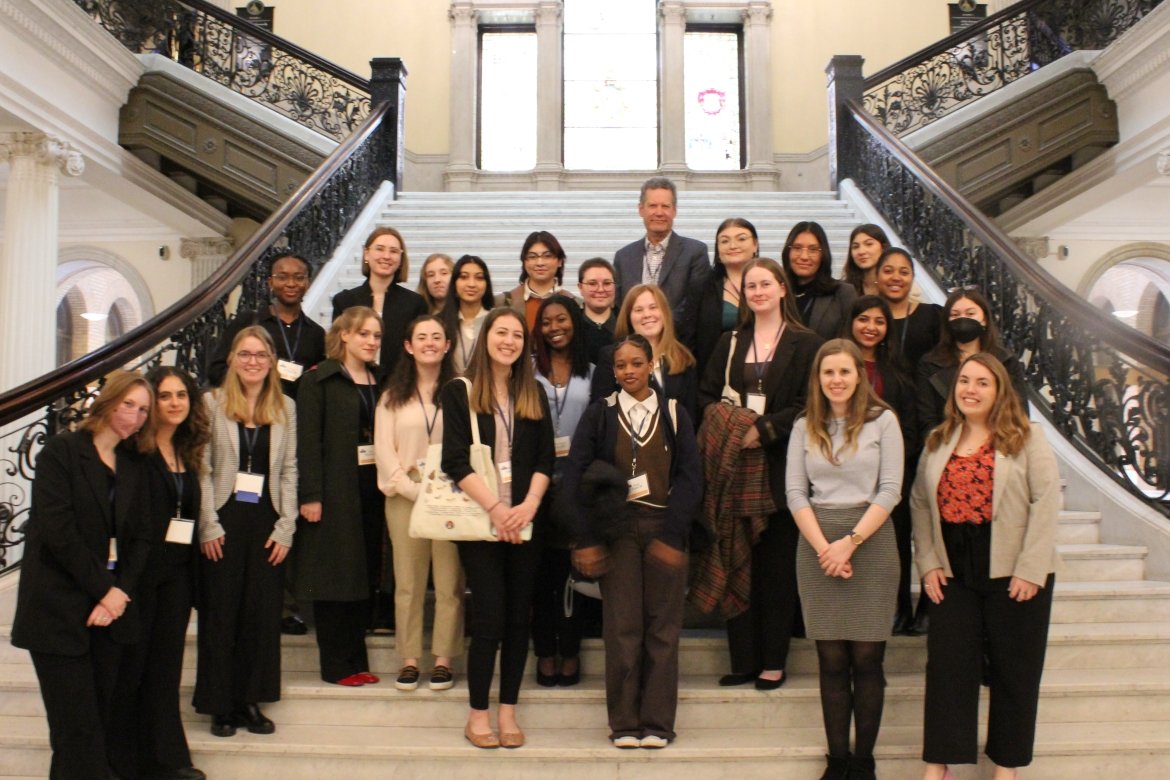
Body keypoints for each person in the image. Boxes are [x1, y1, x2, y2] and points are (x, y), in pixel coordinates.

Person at [911, 353, 1060, 780]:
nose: (970, 390)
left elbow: (1046, 501)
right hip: (953, 570)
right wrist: (928, 562)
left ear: (999, 391)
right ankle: (938, 765)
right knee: (947, 669)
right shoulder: (939, 439)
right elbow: (921, 503)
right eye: (964, 381)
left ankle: (1006, 767)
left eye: (981, 383)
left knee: (1015, 670)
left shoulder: (1027, 437)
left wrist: (1032, 568)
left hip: (1015, 570)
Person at [11, 370, 153, 780]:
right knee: (77, 730)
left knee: (95, 728)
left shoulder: (134, 463)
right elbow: (59, 534)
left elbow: (142, 538)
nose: (136, 415)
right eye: (128, 404)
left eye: (143, 409)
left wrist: (120, 593)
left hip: (109, 614)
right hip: (58, 609)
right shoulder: (63, 451)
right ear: (107, 401)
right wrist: (105, 591)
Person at [565, 333, 703, 749]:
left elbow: (691, 478)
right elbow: (574, 478)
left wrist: (675, 536)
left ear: (651, 364)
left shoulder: (676, 413)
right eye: (620, 365)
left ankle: (658, 724)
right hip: (618, 532)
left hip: (664, 528)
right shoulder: (599, 415)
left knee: (663, 628)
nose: (628, 371)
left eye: (636, 363)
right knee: (623, 626)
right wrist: (585, 537)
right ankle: (625, 722)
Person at [697, 258, 824, 691]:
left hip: (781, 467)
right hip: (734, 468)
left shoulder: (807, 344)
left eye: (765, 283)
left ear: (782, 289)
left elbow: (812, 403)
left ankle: (773, 659)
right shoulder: (730, 341)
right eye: (750, 285)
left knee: (775, 570)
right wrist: (732, 427)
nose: (757, 291)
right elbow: (706, 396)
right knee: (736, 560)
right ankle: (744, 660)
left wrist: (764, 429)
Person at [786, 340, 904, 780]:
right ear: (818, 379)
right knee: (831, 661)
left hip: (869, 540)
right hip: (817, 542)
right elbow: (796, 493)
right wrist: (825, 548)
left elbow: (890, 490)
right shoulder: (804, 425)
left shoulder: (883, 421)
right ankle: (837, 762)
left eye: (844, 372)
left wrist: (849, 543)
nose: (836, 380)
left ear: (860, 375)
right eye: (828, 373)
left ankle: (864, 762)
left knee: (868, 660)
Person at [440, 307, 555, 749]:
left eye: (516, 335)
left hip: (526, 521)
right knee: (489, 618)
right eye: (500, 333)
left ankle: (509, 712)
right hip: (480, 520)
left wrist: (526, 505)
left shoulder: (534, 393)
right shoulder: (460, 391)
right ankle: (478, 715)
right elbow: (454, 460)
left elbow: (545, 459)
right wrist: (496, 509)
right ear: (486, 337)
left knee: (517, 621)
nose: (508, 341)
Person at [195, 326, 297, 738]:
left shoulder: (286, 406)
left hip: (268, 521)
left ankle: (250, 701)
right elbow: (200, 467)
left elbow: (290, 469)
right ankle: (220, 704)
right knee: (221, 613)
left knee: (260, 615)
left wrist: (287, 526)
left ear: (272, 362)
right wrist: (207, 524)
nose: (253, 361)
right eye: (245, 354)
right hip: (224, 517)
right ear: (233, 359)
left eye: (260, 355)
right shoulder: (211, 403)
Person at [110, 367, 210, 780]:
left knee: (166, 668)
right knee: (133, 669)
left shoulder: (187, 452)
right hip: (140, 576)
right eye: (165, 396)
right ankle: (125, 762)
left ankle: (169, 760)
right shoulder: (135, 453)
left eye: (181, 395)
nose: (174, 403)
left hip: (177, 575)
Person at [293, 306, 387, 686]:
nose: (371, 341)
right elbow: (308, 443)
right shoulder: (319, 380)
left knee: (362, 574)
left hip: (372, 490)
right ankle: (337, 665)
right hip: (334, 491)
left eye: (377, 336)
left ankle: (357, 660)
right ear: (344, 335)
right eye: (363, 333)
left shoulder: (380, 380)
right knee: (334, 575)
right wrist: (310, 494)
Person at [375, 314, 465, 692]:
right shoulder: (392, 397)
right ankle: (410, 659)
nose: (430, 343)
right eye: (421, 337)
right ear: (409, 346)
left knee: (449, 582)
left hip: (453, 495)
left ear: (447, 346)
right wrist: (414, 491)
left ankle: (443, 659)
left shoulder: (461, 391)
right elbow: (384, 454)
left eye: (437, 337)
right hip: (405, 495)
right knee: (408, 583)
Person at [843, 295, 922, 635]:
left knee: (895, 543)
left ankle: (898, 608)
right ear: (851, 322)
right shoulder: (836, 365)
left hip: (889, 478)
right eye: (864, 319)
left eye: (879, 321)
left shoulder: (900, 370)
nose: (870, 327)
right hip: (843, 476)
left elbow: (910, 427)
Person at [530, 294, 595, 688]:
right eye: (547, 322)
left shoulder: (592, 369)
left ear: (575, 321)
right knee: (541, 576)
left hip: (577, 483)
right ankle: (544, 651)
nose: (555, 328)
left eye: (562, 319)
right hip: (535, 483)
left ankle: (569, 651)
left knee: (572, 574)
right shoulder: (528, 369)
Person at [917, 287, 1028, 444]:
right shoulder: (930, 364)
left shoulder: (1006, 362)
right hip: (947, 447)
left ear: (984, 319)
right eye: (955, 315)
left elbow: (1020, 413)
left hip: (999, 448)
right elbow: (927, 419)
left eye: (970, 314)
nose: (963, 319)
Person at [206, 253, 327, 398]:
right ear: (270, 282)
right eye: (282, 277)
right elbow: (216, 370)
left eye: (299, 277)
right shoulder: (247, 322)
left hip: (296, 414)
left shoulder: (316, 333)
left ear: (307, 283)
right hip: (250, 410)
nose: (291, 283)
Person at [613, 177, 711, 349]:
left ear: (674, 211)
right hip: (634, 350)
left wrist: (657, 333)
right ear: (641, 209)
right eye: (652, 206)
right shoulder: (623, 257)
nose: (659, 212)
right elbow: (621, 307)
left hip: (679, 348)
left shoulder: (695, 252)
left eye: (665, 206)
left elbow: (692, 306)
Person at [332, 227, 428, 381]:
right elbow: (337, 349)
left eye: (394, 251)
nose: (386, 256)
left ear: (401, 259)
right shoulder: (345, 301)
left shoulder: (415, 303)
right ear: (366, 254)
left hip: (399, 387)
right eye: (380, 249)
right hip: (351, 385)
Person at [591, 284, 698, 420]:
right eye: (638, 310)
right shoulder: (609, 357)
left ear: (665, 312)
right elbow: (600, 415)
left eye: (653, 307)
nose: (647, 315)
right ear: (628, 317)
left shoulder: (683, 358)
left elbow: (691, 417)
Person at [695, 217, 759, 375]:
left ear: (755, 245)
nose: (733, 246)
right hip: (715, 375)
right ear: (717, 250)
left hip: (762, 371)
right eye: (724, 241)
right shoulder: (702, 287)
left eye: (741, 239)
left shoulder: (769, 282)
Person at [781, 221, 857, 341]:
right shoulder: (777, 292)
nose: (804, 256)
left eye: (813, 250)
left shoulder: (843, 293)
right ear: (787, 252)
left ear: (824, 254)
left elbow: (850, 341)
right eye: (797, 248)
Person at [874, 247, 941, 370]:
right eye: (888, 271)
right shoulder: (866, 319)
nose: (896, 277)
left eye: (904, 273)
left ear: (912, 277)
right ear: (877, 275)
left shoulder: (933, 316)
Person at [499, 230, 573, 333]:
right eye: (533, 257)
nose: (540, 263)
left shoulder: (575, 304)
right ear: (524, 262)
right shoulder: (502, 303)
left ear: (560, 261)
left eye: (547, 256)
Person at [440, 254, 496, 375]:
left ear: (487, 284)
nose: (471, 284)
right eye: (464, 277)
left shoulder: (496, 321)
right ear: (454, 283)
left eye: (479, 278)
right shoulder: (440, 322)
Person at [577, 257, 618, 364]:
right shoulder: (571, 326)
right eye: (592, 283)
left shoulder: (628, 325)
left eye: (607, 283)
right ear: (580, 287)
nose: (600, 289)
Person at [842, 224, 891, 297]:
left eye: (869, 244)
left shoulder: (896, 285)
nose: (861, 252)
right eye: (855, 247)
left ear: (883, 247)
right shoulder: (844, 290)